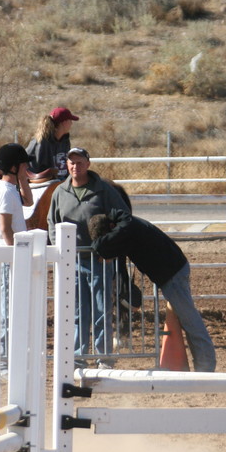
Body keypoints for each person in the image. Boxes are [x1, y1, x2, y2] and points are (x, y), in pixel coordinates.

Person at [89, 210, 217, 372]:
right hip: (173, 270)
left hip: (172, 273)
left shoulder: (125, 229)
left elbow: (102, 246)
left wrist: (98, 245)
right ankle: (204, 365)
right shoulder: (127, 224)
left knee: (190, 320)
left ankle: (206, 367)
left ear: (112, 228)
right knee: (188, 319)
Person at [47, 147, 129, 366]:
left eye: (79, 162)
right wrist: (59, 248)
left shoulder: (103, 190)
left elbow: (123, 218)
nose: (75, 166)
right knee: (77, 312)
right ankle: (79, 356)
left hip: (99, 260)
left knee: (102, 310)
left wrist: (109, 248)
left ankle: (104, 357)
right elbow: (52, 222)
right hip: (72, 261)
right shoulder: (60, 192)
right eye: (71, 162)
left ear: (88, 164)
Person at [0, 143, 36, 354]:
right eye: (23, 164)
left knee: (13, 306)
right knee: (7, 308)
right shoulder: (5, 192)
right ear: (13, 166)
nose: (27, 166)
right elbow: (5, 228)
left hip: (13, 256)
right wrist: (15, 255)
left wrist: (23, 179)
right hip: (9, 256)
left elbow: (28, 201)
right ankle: (3, 355)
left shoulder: (11, 189)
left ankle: (10, 353)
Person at [26, 107, 79, 180]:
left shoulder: (65, 141)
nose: (71, 123)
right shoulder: (41, 142)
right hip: (43, 184)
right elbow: (31, 169)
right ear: (64, 122)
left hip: (61, 183)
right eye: (70, 120)